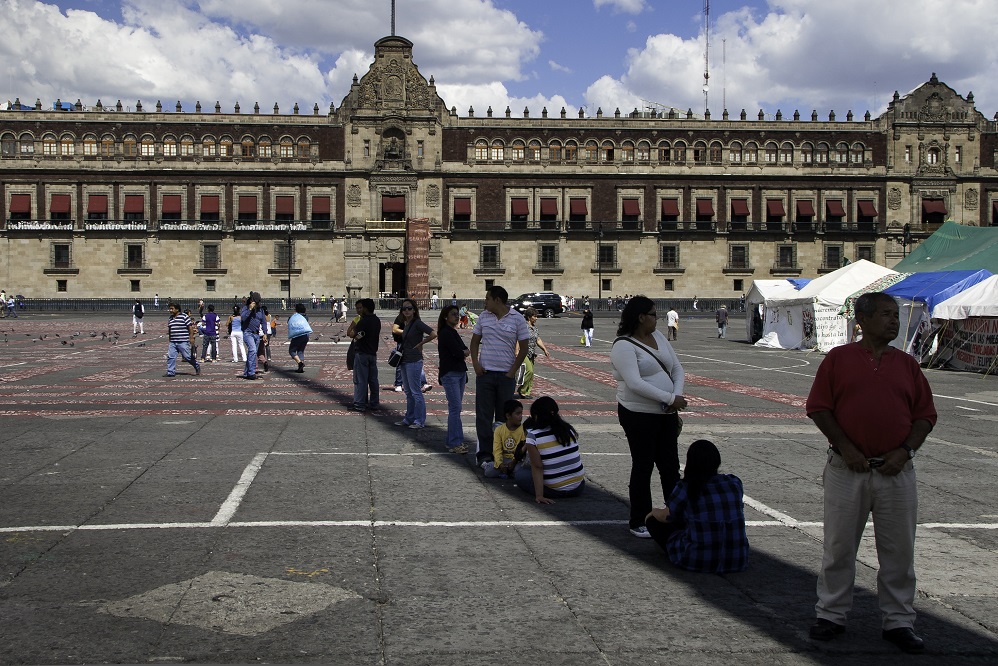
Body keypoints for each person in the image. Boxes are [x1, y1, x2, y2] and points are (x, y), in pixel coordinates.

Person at [806, 292, 936, 654]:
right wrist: (847, 448)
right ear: (861, 320)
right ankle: (831, 614)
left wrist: (905, 451)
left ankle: (898, 621)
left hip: (896, 471)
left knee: (898, 551)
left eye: (895, 315)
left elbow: (925, 415)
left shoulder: (907, 365)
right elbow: (819, 407)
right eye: (885, 314)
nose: (894, 321)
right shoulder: (838, 359)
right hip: (847, 470)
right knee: (839, 545)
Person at [610, 295, 687, 539]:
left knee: (670, 466)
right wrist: (668, 398)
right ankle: (639, 519)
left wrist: (675, 396)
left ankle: (675, 512)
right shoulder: (623, 345)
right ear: (641, 317)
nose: (658, 318)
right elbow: (634, 383)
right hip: (638, 414)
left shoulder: (659, 337)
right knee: (643, 466)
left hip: (666, 413)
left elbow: (676, 368)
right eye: (654, 314)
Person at [645, 439, 749, 573]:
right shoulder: (734, 482)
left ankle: (673, 552)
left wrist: (652, 512)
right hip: (737, 560)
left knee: (653, 521)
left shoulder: (686, 487)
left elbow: (667, 516)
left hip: (696, 560)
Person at [470, 285, 531, 466]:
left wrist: (512, 371)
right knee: (483, 417)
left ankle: (506, 453)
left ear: (497, 300)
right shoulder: (483, 317)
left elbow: (524, 348)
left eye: (487, 298)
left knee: (505, 418)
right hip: (485, 374)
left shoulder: (517, 319)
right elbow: (474, 343)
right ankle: (485, 454)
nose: (485, 302)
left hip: (505, 376)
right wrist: (476, 364)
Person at [514, 396, 585, 503]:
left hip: (554, 490)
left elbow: (537, 467)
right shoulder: (568, 429)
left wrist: (539, 496)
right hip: (578, 487)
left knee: (520, 474)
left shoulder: (533, 436)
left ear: (536, 417)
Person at [394, 299, 436, 428]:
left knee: (416, 392)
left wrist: (421, 343)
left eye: (409, 308)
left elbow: (433, 333)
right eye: (404, 309)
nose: (407, 310)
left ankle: (419, 420)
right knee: (408, 392)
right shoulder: (406, 324)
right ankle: (409, 418)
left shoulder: (417, 323)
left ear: (414, 310)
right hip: (404, 360)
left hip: (414, 361)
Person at [437, 304, 470, 453]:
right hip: (450, 373)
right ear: (445, 317)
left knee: (456, 408)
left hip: (460, 372)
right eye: (453, 314)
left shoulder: (453, 332)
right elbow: (459, 352)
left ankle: (457, 440)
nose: (457, 316)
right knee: (455, 408)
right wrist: (462, 352)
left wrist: (463, 352)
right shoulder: (445, 333)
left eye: (457, 314)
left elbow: (465, 350)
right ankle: (453, 443)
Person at [347, 298, 381, 411]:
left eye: (361, 308)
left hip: (362, 353)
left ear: (366, 308)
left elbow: (351, 334)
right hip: (372, 353)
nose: (359, 310)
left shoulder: (363, 321)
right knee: (373, 380)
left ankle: (360, 404)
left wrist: (354, 323)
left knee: (360, 380)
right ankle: (374, 403)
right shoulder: (377, 320)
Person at [515, 308, 551, 399]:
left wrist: (544, 349)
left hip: (531, 352)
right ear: (529, 317)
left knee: (531, 374)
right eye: (534, 316)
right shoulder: (524, 327)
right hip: (523, 352)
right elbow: (519, 339)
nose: (536, 318)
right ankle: (522, 390)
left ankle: (527, 392)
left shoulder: (534, 328)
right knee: (529, 370)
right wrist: (516, 350)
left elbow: (538, 339)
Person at [483, 399, 524, 478]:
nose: (520, 417)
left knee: (519, 470)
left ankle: (508, 472)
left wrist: (513, 462)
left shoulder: (523, 430)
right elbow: (497, 449)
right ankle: (506, 472)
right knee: (489, 471)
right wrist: (500, 464)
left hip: (516, 461)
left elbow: (521, 451)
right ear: (508, 416)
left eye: (521, 413)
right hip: (504, 459)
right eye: (517, 414)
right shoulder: (499, 429)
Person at [165, 302, 200, 377]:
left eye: (172, 309)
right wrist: (170, 339)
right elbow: (170, 329)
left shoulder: (184, 316)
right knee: (171, 357)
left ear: (177, 309)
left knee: (187, 357)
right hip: (173, 341)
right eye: (170, 308)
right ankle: (170, 372)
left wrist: (191, 338)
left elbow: (190, 327)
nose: (170, 310)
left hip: (183, 341)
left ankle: (196, 366)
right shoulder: (170, 318)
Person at [240, 292, 267, 380]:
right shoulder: (245, 308)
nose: (258, 304)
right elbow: (243, 318)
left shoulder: (261, 310)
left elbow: (263, 322)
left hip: (256, 334)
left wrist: (265, 333)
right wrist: (250, 310)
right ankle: (251, 373)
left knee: (252, 353)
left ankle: (246, 372)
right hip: (247, 333)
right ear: (251, 301)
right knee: (252, 350)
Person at [286, 303, 312, 373]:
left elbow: (289, 322)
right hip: (306, 335)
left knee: (292, 351)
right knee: (301, 351)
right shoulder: (306, 316)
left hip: (298, 335)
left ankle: (300, 363)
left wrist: (293, 315)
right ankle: (301, 368)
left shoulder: (294, 316)